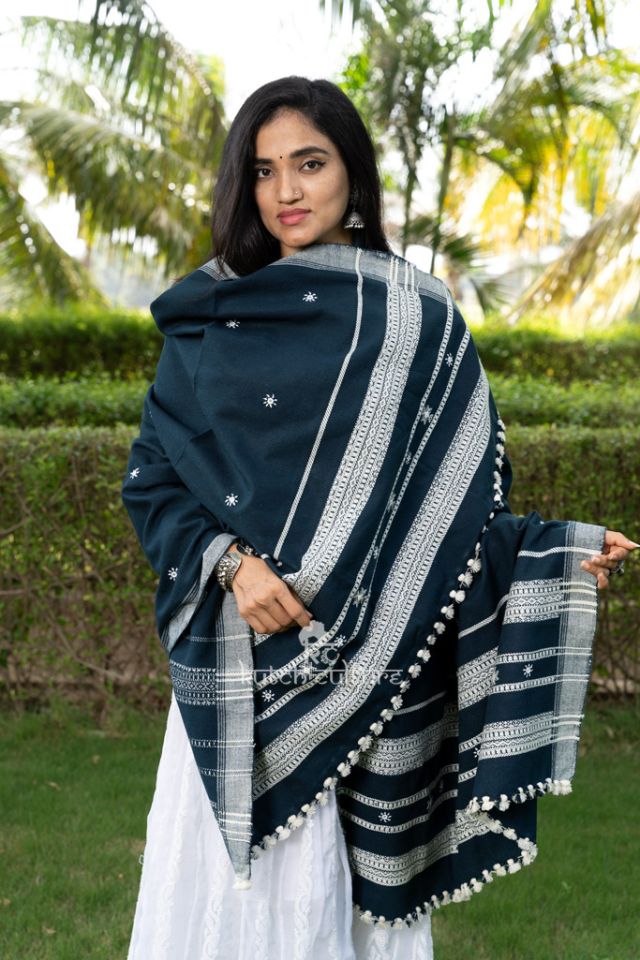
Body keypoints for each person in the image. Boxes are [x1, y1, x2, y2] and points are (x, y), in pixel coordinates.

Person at [121, 76, 637, 960]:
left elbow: (449, 515)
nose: (286, 191)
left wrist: (549, 556)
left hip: (372, 677)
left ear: (352, 173)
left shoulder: (417, 318)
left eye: (309, 164)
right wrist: (231, 565)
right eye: (263, 171)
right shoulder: (213, 316)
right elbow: (154, 481)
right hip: (241, 662)